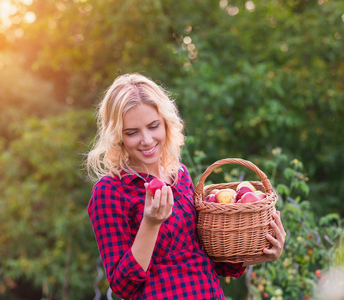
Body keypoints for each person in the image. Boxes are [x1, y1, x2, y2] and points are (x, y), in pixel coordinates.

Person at [86, 73, 286, 299]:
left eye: (153, 126)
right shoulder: (110, 191)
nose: (147, 140)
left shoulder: (180, 175)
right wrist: (150, 224)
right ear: (117, 136)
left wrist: (261, 254)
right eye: (132, 132)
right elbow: (123, 286)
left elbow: (211, 260)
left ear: (166, 123)